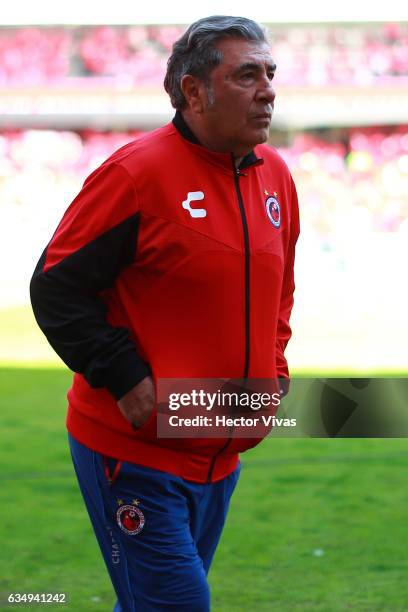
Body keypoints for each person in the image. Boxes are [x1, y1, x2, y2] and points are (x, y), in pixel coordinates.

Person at [30, 15, 299, 612]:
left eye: (270, 73)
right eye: (247, 74)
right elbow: (55, 288)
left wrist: (275, 369)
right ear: (193, 91)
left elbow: (280, 290)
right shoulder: (136, 174)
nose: (269, 89)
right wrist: (122, 373)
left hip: (220, 454)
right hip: (135, 454)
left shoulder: (276, 176)